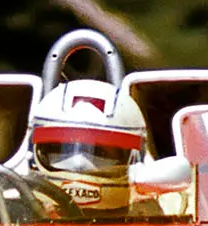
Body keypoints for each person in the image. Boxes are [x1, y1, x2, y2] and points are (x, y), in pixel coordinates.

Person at [10, 76, 154, 214]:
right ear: (34, 150)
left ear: (135, 157)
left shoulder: (155, 214)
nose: (79, 164)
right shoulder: (9, 213)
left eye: (100, 153)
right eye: (61, 149)